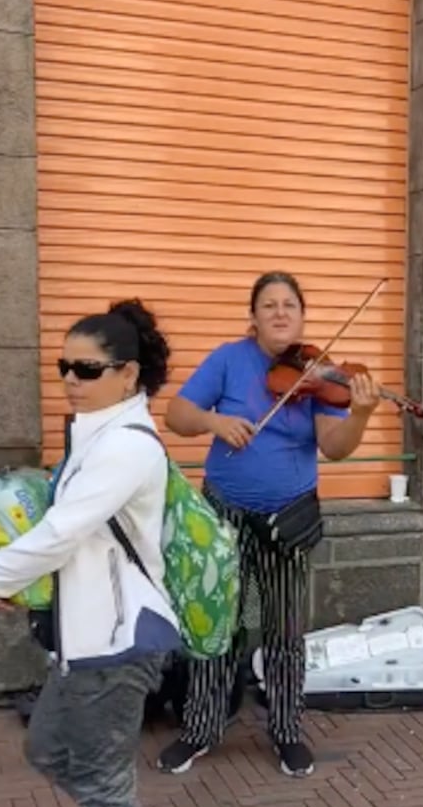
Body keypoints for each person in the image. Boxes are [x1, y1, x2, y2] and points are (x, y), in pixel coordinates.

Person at [0, 300, 191, 807]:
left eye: (87, 367)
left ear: (128, 374)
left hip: (118, 641)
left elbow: (62, 531)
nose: (70, 378)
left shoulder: (127, 447)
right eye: (63, 365)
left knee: (102, 781)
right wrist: (19, 583)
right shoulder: (94, 436)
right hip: (85, 640)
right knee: (47, 749)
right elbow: (75, 543)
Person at [157, 271, 381, 777]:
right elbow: (177, 413)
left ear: (302, 316)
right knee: (218, 626)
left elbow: (335, 448)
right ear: (253, 317)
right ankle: (200, 728)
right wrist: (215, 423)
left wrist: (362, 415)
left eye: (290, 305)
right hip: (224, 516)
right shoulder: (228, 360)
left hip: (287, 517)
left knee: (284, 627)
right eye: (269, 305)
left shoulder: (318, 373)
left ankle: (285, 730)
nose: (280, 313)